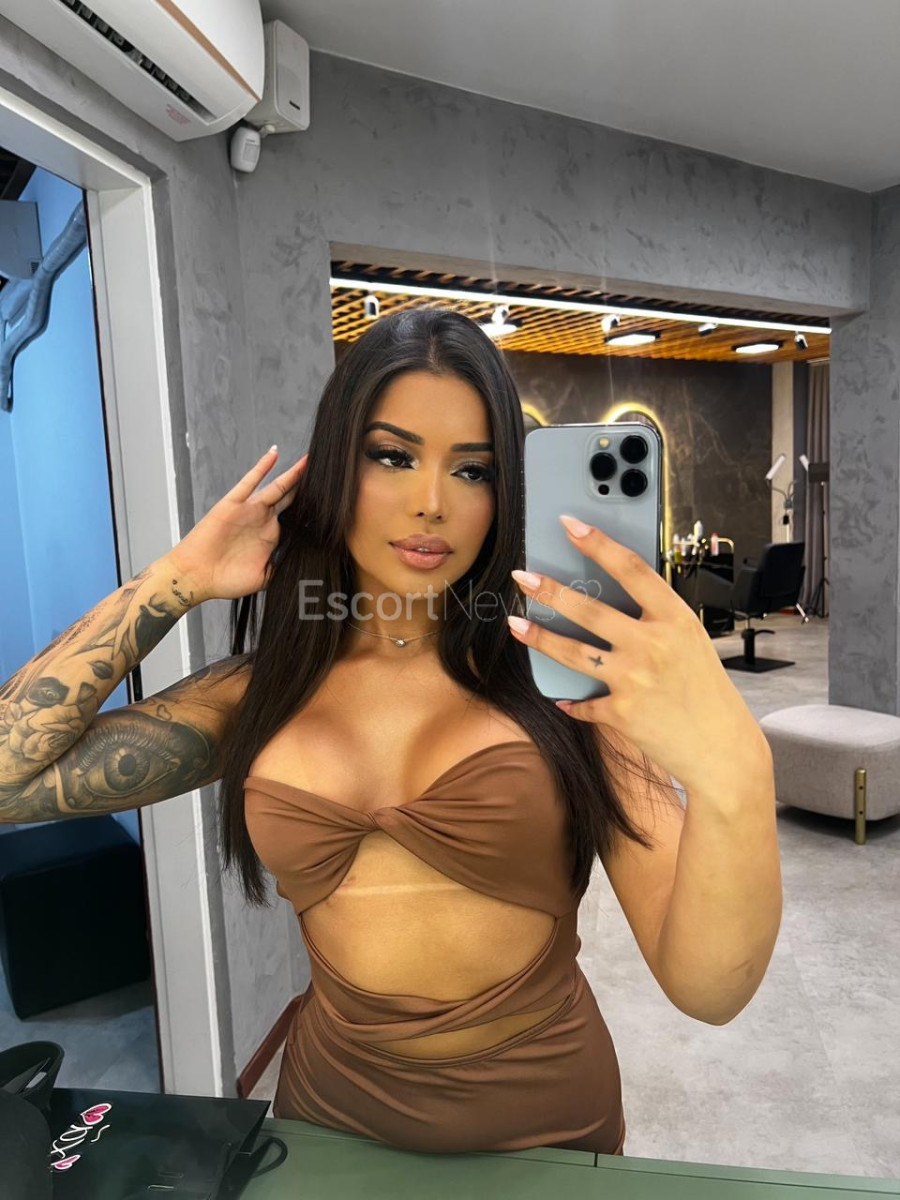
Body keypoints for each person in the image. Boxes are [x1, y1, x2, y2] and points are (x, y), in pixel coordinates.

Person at [0, 307, 780, 1157]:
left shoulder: (566, 686)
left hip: (546, 1129)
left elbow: (710, 990)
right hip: (328, 1115)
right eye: (393, 456)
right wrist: (178, 577)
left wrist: (736, 771)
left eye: (473, 470)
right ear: (339, 466)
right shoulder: (264, 692)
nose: (432, 503)